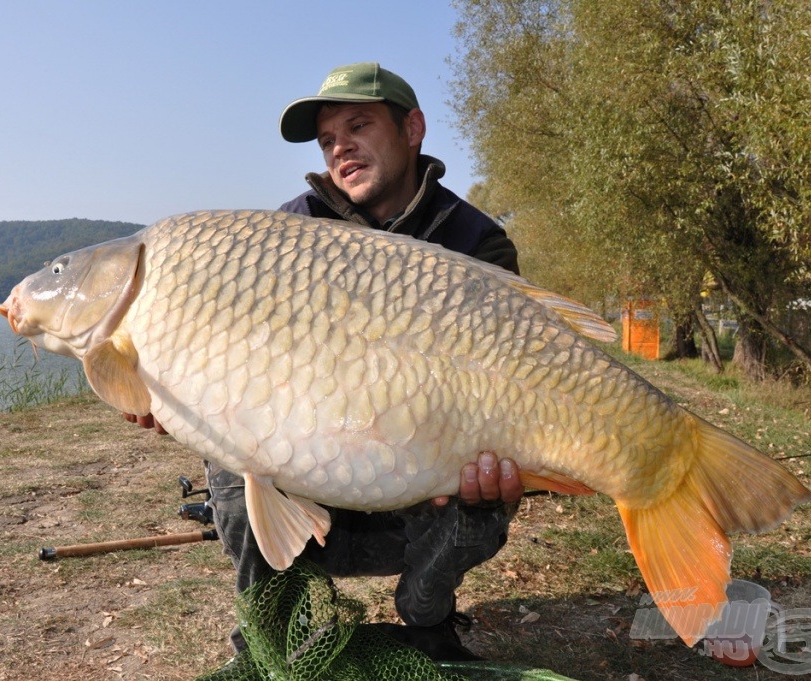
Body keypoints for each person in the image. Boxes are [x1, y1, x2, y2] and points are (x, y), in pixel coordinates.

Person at [127, 62, 524, 661]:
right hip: (315, 481)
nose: (341, 149)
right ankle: (270, 625)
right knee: (231, 455)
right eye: (328, 140)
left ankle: (426, 611)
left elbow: (522, 375)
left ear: (412, 128)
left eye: (358, 126)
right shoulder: (287, 233)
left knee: (488, 485)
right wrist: (177, 395)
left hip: (424, 480)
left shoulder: (476, 241)